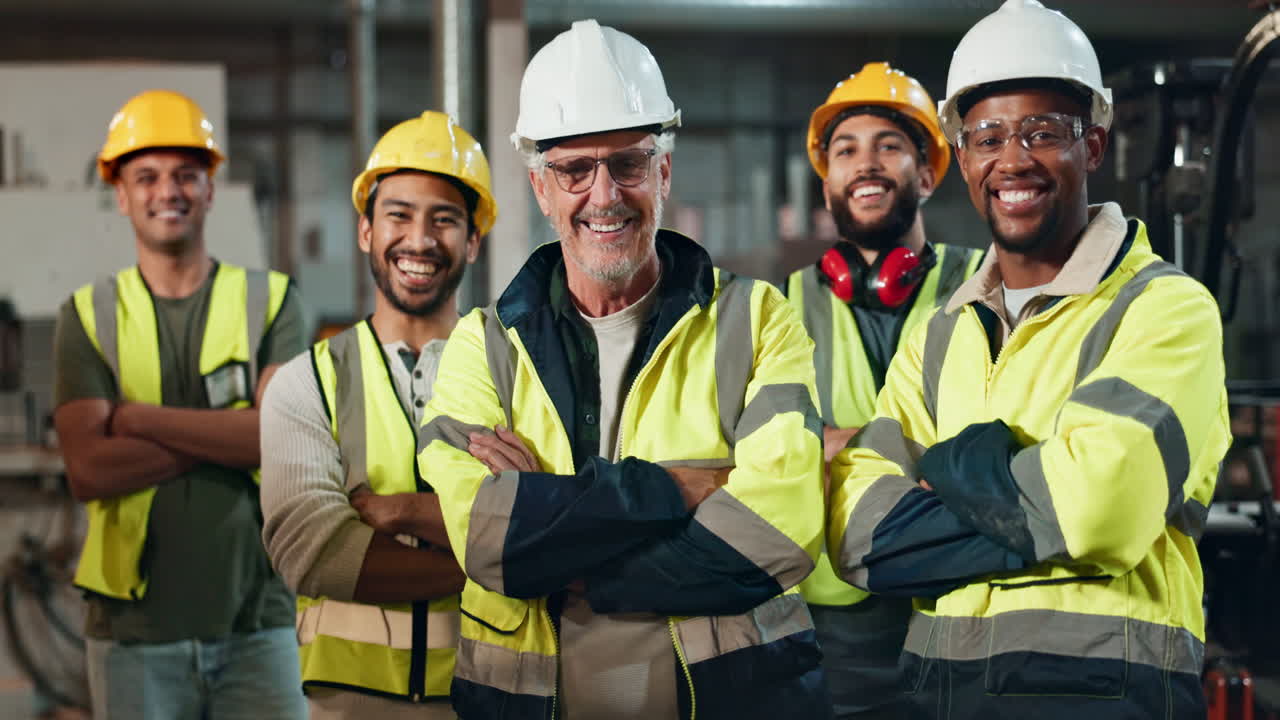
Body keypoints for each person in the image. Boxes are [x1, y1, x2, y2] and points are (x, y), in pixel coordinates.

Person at [417, 19, 830, 720]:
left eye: (628, 164)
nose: (604, 194)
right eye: (575, 170)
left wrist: (561, 526)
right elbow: (493, 546)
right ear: (542, 189)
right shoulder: (481, 345)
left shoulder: (758, 320)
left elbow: (778, 534)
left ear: (663, 172)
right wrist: (682, 486)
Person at [828, 1, 1230, 718]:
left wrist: (948, 465)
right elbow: (861, 540)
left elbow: (1100, 509)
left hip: (1103, 693)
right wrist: (1038, 498)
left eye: (1043, 133)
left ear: (1094, 147)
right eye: (987, 136)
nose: (1012, 159)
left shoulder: (1164, 309)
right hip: (936, 694)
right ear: (965, 159)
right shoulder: (940, 335)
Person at [52, 89, 307, 719]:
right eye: (147, 176)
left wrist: (136, 421)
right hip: (133, 636)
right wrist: (229, 435)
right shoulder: (87, 316)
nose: (168, 190)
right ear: (121, 193)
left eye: (185, 175)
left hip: (259, 626)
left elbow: (276, 443)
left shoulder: (272, 302)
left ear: (211, 189)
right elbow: (89, 472)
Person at [259, 111, 496, 719]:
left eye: (443, 219)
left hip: (491, 695)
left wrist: (401, 513)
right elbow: (313, 554)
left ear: (472, 240)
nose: (419, 240)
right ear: (365, 230)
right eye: (399, 214)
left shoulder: (516, 372)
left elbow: (559, 521)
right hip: (349, 704)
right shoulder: (306, 381)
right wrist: (498, 560)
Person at [788, 62, 982, 720]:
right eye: (845, 150)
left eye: (889, 146)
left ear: (927, 174)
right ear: (827, 183)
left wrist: (833, 447)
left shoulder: (985, 287)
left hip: (962, 609)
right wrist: (925, 457)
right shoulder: (776, 309)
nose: (865, 163)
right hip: (829, 631)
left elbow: (1006, 439)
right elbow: (758, 453)